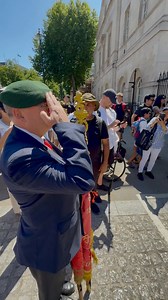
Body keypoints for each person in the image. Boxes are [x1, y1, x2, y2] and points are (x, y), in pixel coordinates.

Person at [0, 80, 95, 300]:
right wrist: (66, 127)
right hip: (47, 247)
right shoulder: (20, 159)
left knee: (62, 276)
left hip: (61, 231)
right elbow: (81, 180)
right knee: (49, 294)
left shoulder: (32, 136)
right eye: (45, 104)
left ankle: (63, 281)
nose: (55, 109)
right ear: (19, 114)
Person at [137, 107, 168, 181]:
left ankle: (148, 171)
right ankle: (140, 172)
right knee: (145, 158)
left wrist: (162, 124)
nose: (166, 114)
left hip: (158, 144)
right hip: (149, 142)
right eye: (165, 113)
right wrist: (155, 122)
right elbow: (147, 128)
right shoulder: (155, 119)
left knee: (153, 159)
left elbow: (166, 131)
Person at [99, 89, 127, 169]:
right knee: (99, 165)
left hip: (111, 144)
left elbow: (113, 129)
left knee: (108, 163)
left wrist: (120, 126)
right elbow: (97, 130)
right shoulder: (96, 111)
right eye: (111, 101)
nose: (112, 104)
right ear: (105, 98)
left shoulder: (112, 112)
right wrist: (111, 125)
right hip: (100, 145)